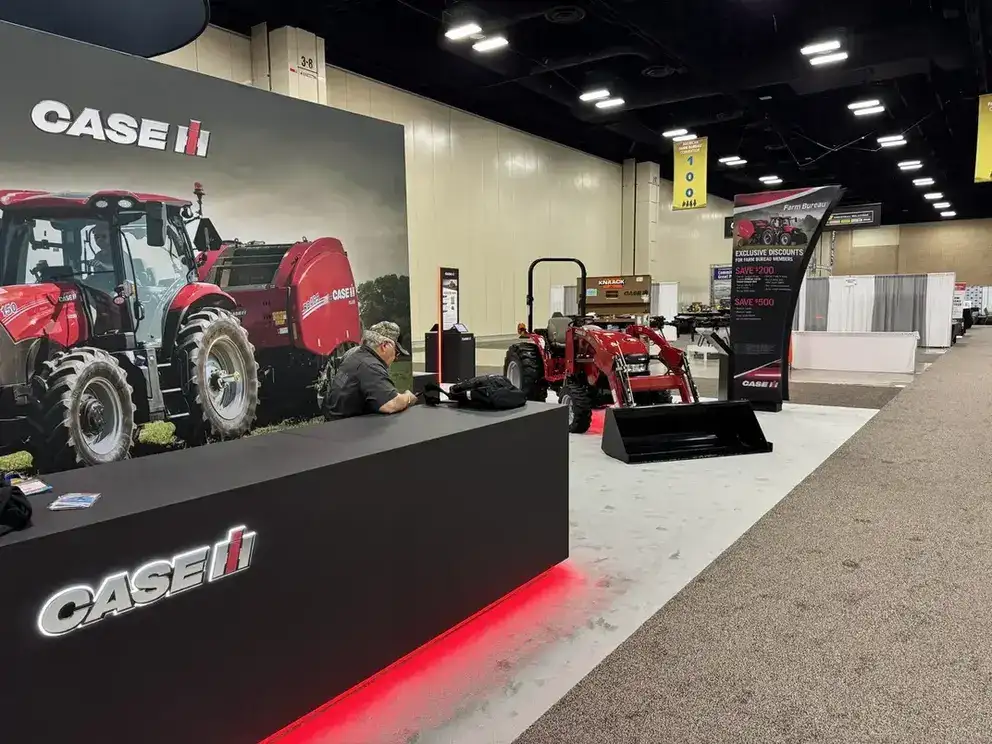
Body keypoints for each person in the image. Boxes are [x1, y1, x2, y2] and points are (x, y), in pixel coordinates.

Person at [322, 320, 417, 419]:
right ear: (384, 346)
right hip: (348, 428)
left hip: (334, 421)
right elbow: (391, 404)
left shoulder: (353, 354)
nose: (395, 358)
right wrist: (408, 397)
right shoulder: (370, 366)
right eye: (396, 352)